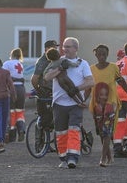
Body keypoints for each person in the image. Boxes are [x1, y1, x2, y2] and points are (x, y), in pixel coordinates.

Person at [44, 37, 94, 169]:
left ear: (76, 48)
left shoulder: (83, 63)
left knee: (74, 130)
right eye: (64, 47)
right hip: (59, 104)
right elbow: (47, 77)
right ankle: (63, 158)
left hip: (75, 104)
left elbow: (91, 82)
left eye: (68, 47)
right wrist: (60, 68)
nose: (64, 49)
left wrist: (76, 89)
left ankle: (73, 158)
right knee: (60, 133)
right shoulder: (58, 61)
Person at [85, 44, 127, 160]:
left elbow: (122, 82)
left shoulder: (113, 68)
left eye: (104, 54)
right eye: (99, 54)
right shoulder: (91, 69)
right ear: (96, 55)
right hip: (96, 105)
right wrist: (81, 100)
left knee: (106, 130)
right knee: (101, 132)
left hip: (110, 104)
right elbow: (88, 88)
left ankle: (103, 158)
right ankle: (109, 157)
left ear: (107, 55)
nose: (102, 56)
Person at [3, 48, 26, 142]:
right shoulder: (20, 64)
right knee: (19, 112)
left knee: (11, 112)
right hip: (21, 89)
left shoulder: (7, 63)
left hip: (12, 89)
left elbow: (3, 75)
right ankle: (21, 130)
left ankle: (10, 134)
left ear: (11, 54)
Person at [93, 82, 115, 167]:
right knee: (103, 139)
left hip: (108, 124)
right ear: (97, 95)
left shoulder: (109, 107)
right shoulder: (96, 107)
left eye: (106, 95)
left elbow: (111, 119)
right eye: (101, 95)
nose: (104, 97)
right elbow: (95, 118)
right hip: (100, 125)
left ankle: (103, 159)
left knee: (106, 138)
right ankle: (109, 158)